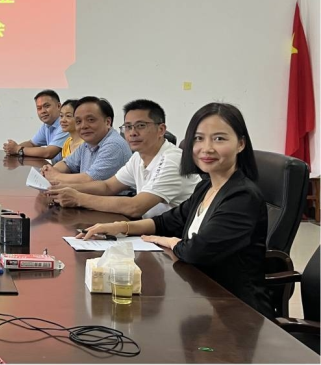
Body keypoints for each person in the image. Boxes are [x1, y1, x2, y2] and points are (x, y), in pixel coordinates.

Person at [79, 102, 272, 318]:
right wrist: (120, 227)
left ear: (241, 144)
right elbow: (166, 222)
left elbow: (197, 251)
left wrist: (171, 241)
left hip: (236, 311)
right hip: (200, 297)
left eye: (219, 139)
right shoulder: (206, 187)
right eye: (199, 138)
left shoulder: (241, 197)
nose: (207, 148)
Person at [47, 99, 200, 218]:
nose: (132, 133)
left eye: (141, 126)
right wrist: (61, 190)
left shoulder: (172, 160)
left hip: (176, 238)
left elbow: (135, 207)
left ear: (161, 130)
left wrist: (78, 198)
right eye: (128, 127)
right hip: (151, 229)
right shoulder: (138, 157)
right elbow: (108, 186)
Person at [41, 96, 132, 184]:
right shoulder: (87, 143)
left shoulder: (114, 145)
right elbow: (67, 163)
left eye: (91, 120)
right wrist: (51, 170)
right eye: (78, 121)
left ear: (108, 122)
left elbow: (90, 180)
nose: (83, 126)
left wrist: (55, 176)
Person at [3, 90, 69, 159]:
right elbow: (32, 144)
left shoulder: (65, 125)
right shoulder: (46, 125)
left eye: (47, 106)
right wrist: (12, 149)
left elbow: (48, 153)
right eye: (39, 108)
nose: (43, 111)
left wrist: (17, 149)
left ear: (59, 106)